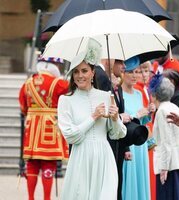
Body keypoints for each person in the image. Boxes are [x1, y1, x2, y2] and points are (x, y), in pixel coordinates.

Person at [57, 38, 127, 200]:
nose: (80, 75)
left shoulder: (105, 96)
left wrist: (116, 118)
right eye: (76, 71)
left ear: (93, 72)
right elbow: (71, 135)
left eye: (84, 71)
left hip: (104, 157)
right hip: (81, 158)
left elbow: (118, 134)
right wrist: (93, 117)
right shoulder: (66, 100)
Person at [18, 57, 69, 200]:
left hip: (32, 128)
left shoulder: (27, 83)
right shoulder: (59, 83)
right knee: (48, 162)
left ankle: (31, 197)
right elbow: (67, 101)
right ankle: (47, 198)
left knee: (32, 163)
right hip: (49, 127)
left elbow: (23, 107)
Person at [148, 74, 179, 200]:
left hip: (170, 167)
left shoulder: (161, 111)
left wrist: (164, 168)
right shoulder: (175, 107)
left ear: (154, 95)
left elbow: (165, 142)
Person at [121, 56, 151, 200]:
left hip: (141, 143)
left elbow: (141, 121)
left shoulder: (139, 94)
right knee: (130, 178)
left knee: (141, 177)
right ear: (123, 73)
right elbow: (122, 120)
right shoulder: (118, 94)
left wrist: (148, 112)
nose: (134, 76)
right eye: (131, 72)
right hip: (129, 143)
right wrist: (136, 114)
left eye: (137, 72)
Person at [133, 61, 156, 200]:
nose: (145, 74)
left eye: (148, 71)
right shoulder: (138, 90)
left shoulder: (145, 89)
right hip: (144, 132)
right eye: (142, 71)